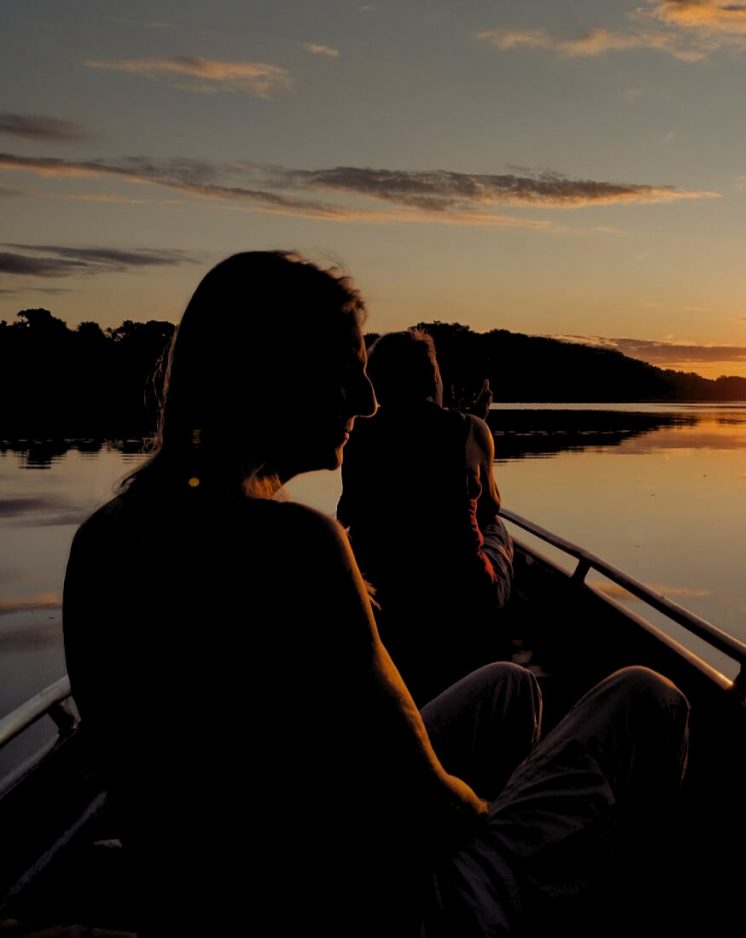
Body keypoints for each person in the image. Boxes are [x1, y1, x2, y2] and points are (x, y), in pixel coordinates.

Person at [62, 251, 689, 936]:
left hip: (206, 902)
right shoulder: (295, 546)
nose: (364, 401)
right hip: (380, 914)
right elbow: (428, 804)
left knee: (511, 685)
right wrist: (494, 814)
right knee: (646, 698)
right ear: (269, 372)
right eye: (344, 372)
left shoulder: (101, 539)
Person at [338, 328, 514, 701]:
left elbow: (349, 509)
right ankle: (496, 633)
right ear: (433, 376)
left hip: (386, 594)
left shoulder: (356, 438)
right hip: (465, 596)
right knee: (498, 528)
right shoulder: (470, 431)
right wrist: (477, 428)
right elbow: (490, 507)